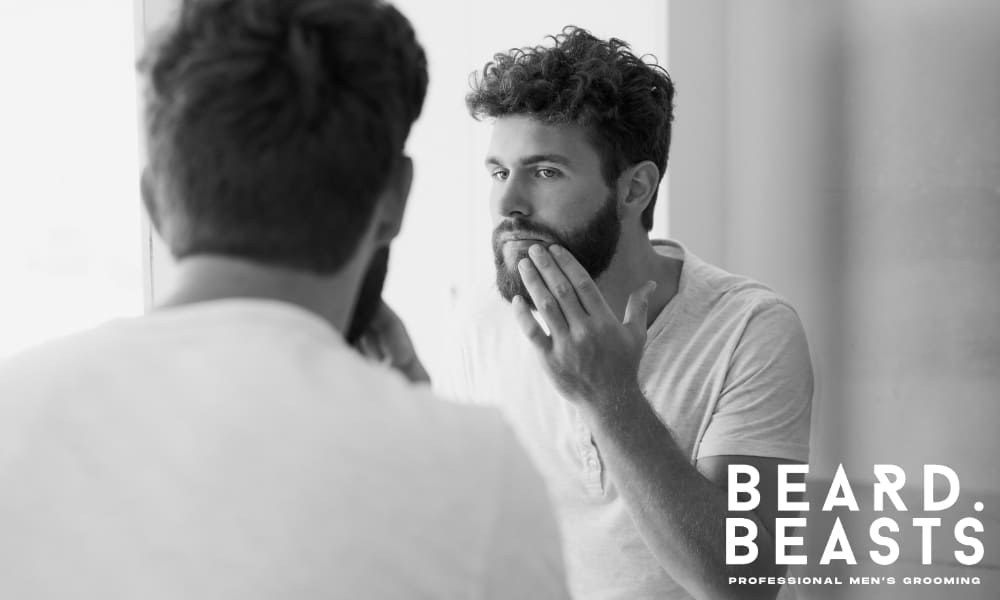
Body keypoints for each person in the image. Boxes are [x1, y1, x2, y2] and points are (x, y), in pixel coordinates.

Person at [0, 1, 568, 598]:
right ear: (396, 198)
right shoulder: (478, 477)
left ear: (154, 201)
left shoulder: (14, 412)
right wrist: (423, 430)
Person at [436, 27, 814, 600]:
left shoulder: (750, 330)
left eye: (544, 172)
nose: (507, 203)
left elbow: (747, 583)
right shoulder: (483, 320)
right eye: (498, 172)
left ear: (635, 188)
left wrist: (608, 395)